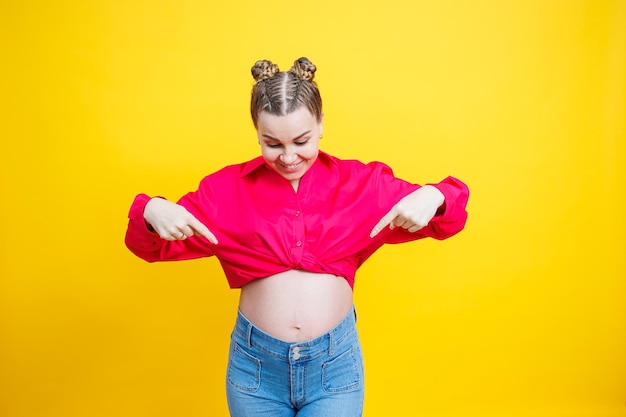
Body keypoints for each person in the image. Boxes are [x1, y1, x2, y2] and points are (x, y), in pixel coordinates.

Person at [124, 57, 469, 417]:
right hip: (256, 370)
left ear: (321, 125)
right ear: (256, 131)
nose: (289, 157)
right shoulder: (224, 192)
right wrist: (150, 209)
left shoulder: (363, 186)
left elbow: (450, 218)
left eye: (301, 141)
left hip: (334, 368)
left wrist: (436, 195)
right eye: (272, 143)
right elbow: (149, 245)